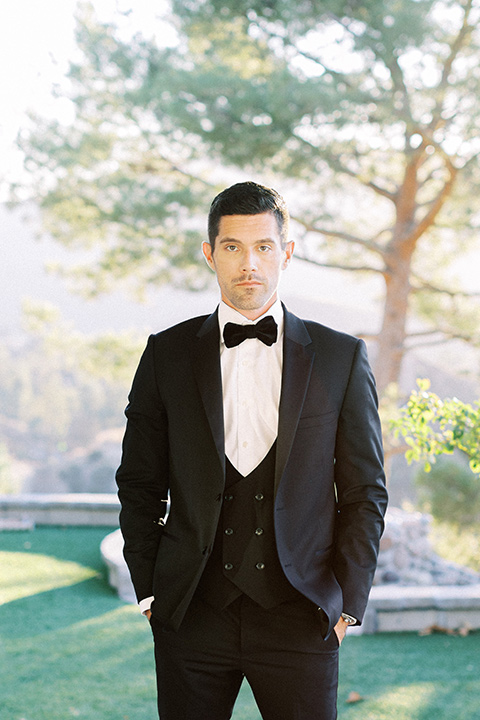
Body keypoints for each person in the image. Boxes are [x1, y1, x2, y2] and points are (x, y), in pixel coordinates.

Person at [115, 181, 388, 720]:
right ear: (209, 253)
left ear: (286, 253)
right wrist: (151, 592)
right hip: (191, 614)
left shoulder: (340, 357)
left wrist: (345, 608)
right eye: (233, 247)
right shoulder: (165, 354)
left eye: (264, 246)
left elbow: (365, 492)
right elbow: (139, 484)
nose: (249, 263)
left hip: (302, 616)